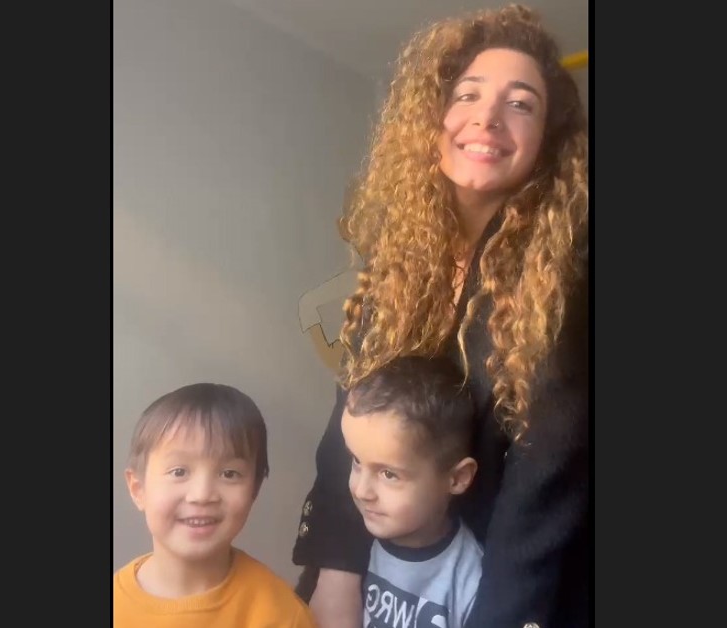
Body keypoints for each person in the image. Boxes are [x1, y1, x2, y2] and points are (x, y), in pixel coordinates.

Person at [292, 4, 588, 628]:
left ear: (547, 141)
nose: (487, 117)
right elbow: (353, 416)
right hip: (383, 571)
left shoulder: (567, 281)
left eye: (521, 103)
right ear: (434, 117)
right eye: (468, 94)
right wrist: (336, 571)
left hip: (508, 587)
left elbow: (547, 481)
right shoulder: (400, 258)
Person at [114, 383, 317, 628]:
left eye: (229, 474)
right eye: (179, 471)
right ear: (138, 489)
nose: (202, 495)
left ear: (254, 490)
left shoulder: (281, 615)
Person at [341, 355, 484, 628]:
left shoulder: (471, 579)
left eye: (388, 474)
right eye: (356, 461)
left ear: (457, 479)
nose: (361, 490)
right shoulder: (354, 543)